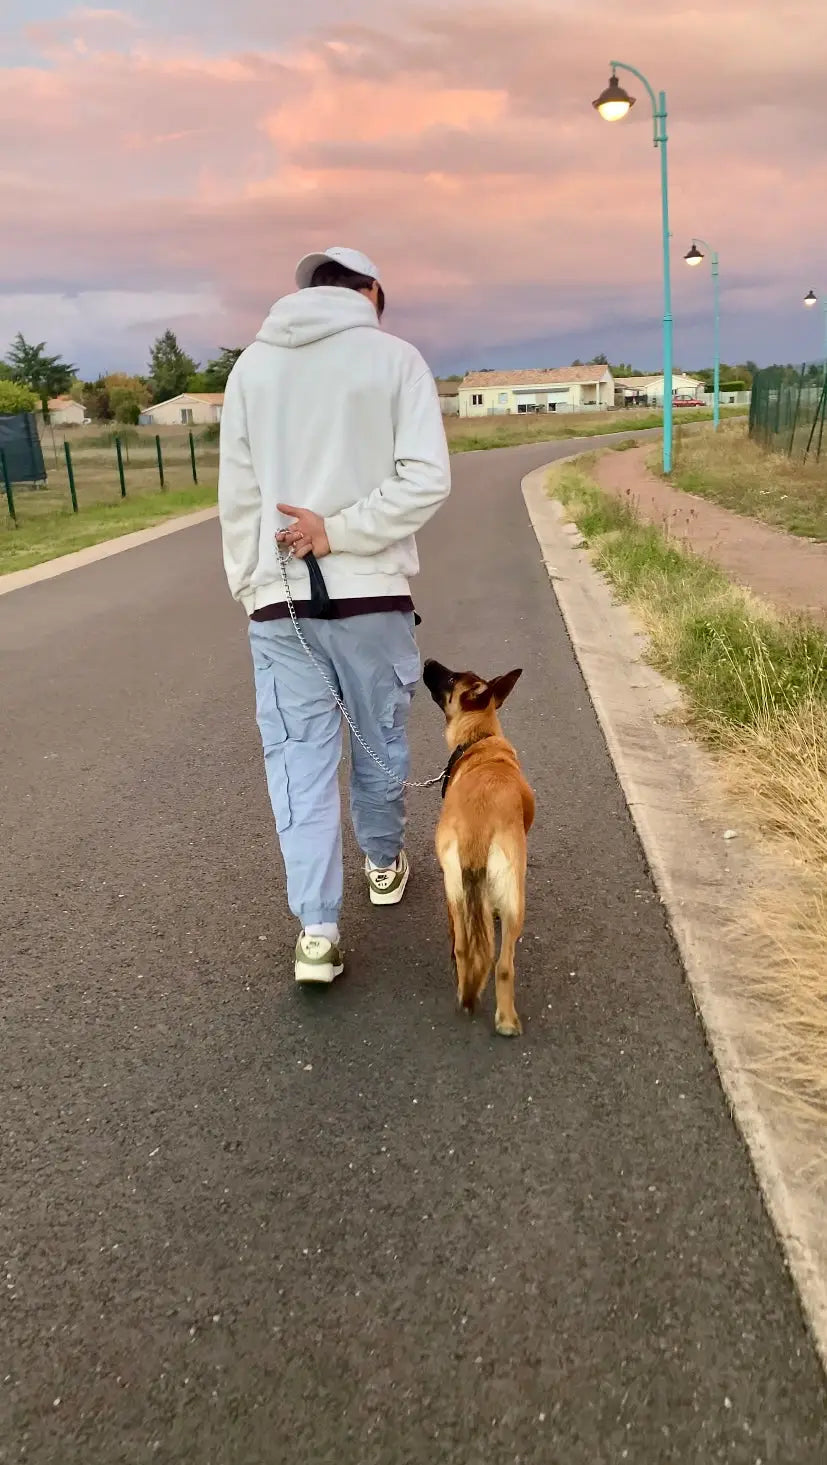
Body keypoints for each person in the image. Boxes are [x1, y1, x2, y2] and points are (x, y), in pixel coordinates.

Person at [218, 246, 451, 984]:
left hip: (276, 601)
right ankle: (383, 863)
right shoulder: (395, 360)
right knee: (378, 742)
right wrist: (341, 531)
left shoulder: (250, 368)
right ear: (370, 290)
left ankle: (316, 930)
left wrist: (249, 584)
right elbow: (426, 479)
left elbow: (239, 498)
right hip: (372, 594)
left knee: (298, 760)